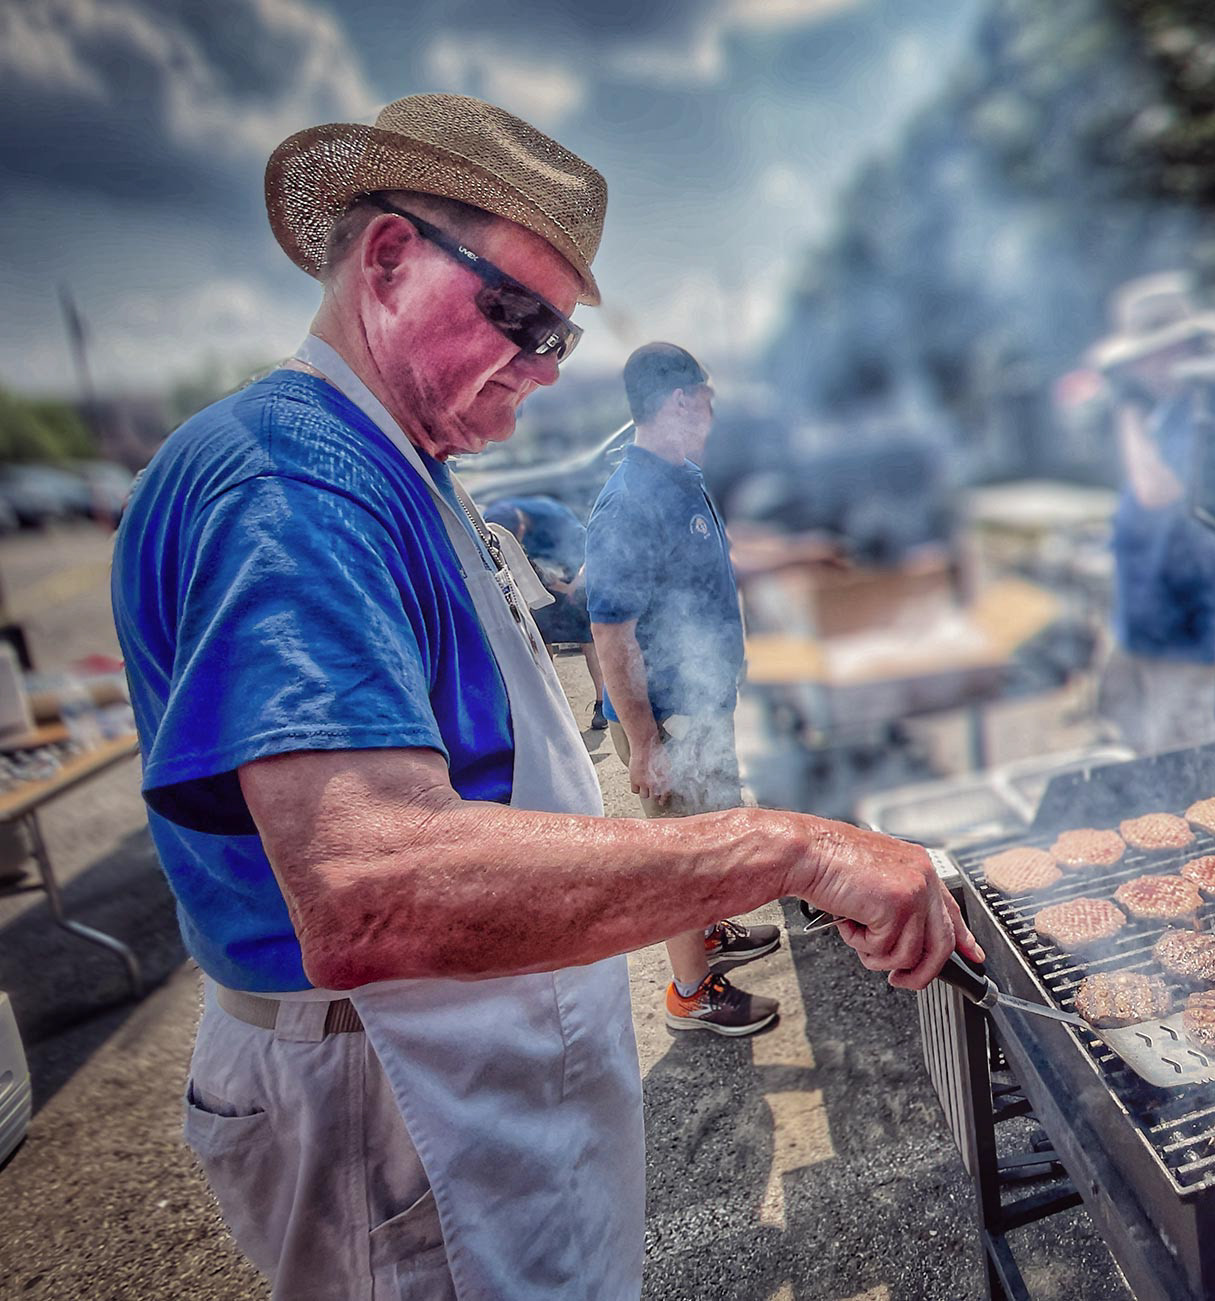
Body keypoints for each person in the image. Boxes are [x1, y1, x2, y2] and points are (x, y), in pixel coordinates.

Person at [108, 93, 974, 1299]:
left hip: (477, 1054)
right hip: (400, 1085)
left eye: (559, 339)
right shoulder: (291, 480)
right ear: (390, 258)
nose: (540, 368)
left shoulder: (405, 463)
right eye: (518, 316)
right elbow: (370, 888)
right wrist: (790, 848)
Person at [587, 343, 782, 1035]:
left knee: (709, 836)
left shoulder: (683, 478)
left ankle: (709, 930)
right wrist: (645, 743)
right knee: (679, 859)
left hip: (702, 703)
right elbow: (612, 634)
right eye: (707, 399)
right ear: (680, 401)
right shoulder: (628, 503)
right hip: (666, 717)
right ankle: (690, 994)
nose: (712, 412)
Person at [1088, 273, 1215, 754]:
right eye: (1140, 357)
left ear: (1189, 345)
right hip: (1154, 623)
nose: (1146, 368)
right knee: (1147, 754)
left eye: (1158, 352)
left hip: (1196, 636)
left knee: (1191, 765)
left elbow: (1158, 491)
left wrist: (1126, 415)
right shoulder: (1170, 408)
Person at [481, 494, 610, 728]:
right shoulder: (498, 521)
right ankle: (552, 706)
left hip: (574, 579)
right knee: (541, 639)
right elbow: (520, 565)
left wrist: (573, 585)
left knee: (587, 640)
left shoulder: (556, 518)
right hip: (544, 583)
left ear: (521, 527)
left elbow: (591, 553)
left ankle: (601, 703)